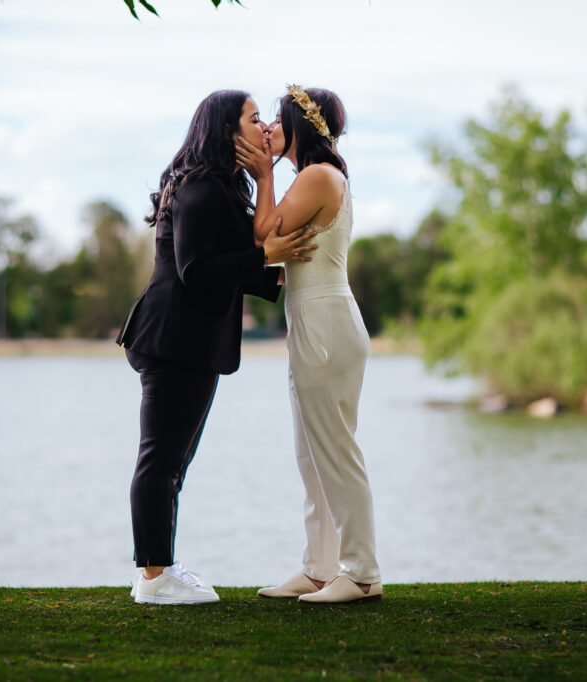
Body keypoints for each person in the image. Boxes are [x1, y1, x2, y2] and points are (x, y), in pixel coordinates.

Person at [116, 90, 317, 605]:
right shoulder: (202, 188)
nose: (265, 128)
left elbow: (231, 262)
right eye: (254, 120)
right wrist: (265, 256)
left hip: (188, 342)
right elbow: (195, 271)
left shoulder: (220, 188)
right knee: (161, 463)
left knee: (171, 464)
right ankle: (155, 578)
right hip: (173, 340)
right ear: (228, 131)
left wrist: (268, 262)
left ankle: (158, 567)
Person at [235, 85, 382, 603]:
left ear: (301, 124)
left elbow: (263, 235)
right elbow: (274, 242)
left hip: (326, 323)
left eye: (277, 119)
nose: (269, 128)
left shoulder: (318, 176)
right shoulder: (315, 178)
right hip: (313, 323)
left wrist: (264, 175)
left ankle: (361, 573)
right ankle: (320, 568)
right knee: (311, 456)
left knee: (336, 453)